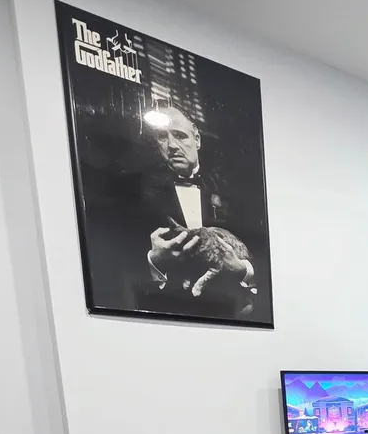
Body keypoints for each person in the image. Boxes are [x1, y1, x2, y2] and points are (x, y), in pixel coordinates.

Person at [80, 104, 270, 322]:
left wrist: (242, 269)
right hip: (161, 316)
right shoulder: (135, 195)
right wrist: (154, 261)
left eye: (180, 135)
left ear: (197, 139)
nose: (171, 145)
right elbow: (109, 264)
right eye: (162, 137)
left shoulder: (234, 191)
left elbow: (267, 259)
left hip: (233, 317)